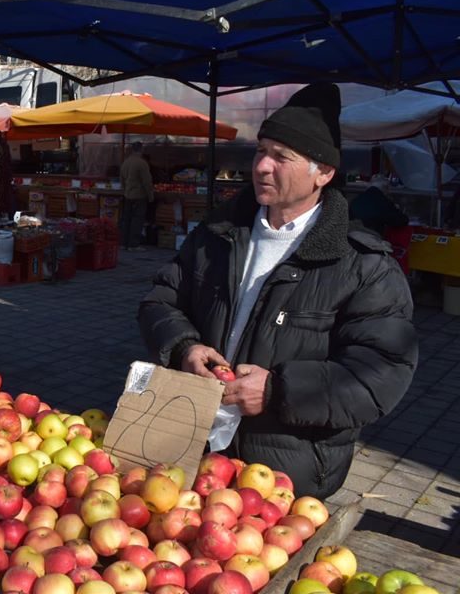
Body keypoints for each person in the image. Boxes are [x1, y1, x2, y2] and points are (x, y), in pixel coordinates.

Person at [137, 83, 418, 499]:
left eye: (282, 157)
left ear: (323, 173)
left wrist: (276, 392)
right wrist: (185, 347)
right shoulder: (219, 234)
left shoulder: (363, 265)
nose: (263, 167)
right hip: (193, 448)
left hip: (281, 476)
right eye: (260, 150)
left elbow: (379, 373)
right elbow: (161, 299)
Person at [119, 141, 154, 250]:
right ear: (141, 149)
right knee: (137, 219)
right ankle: (134, 244)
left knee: (126, 219)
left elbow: (122, 179)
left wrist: (125, 191)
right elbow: (147, 182)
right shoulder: (142, 163)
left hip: (128, 194)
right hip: (139, 195)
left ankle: (123, 243)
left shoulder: (126, 162)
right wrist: (151, 196)